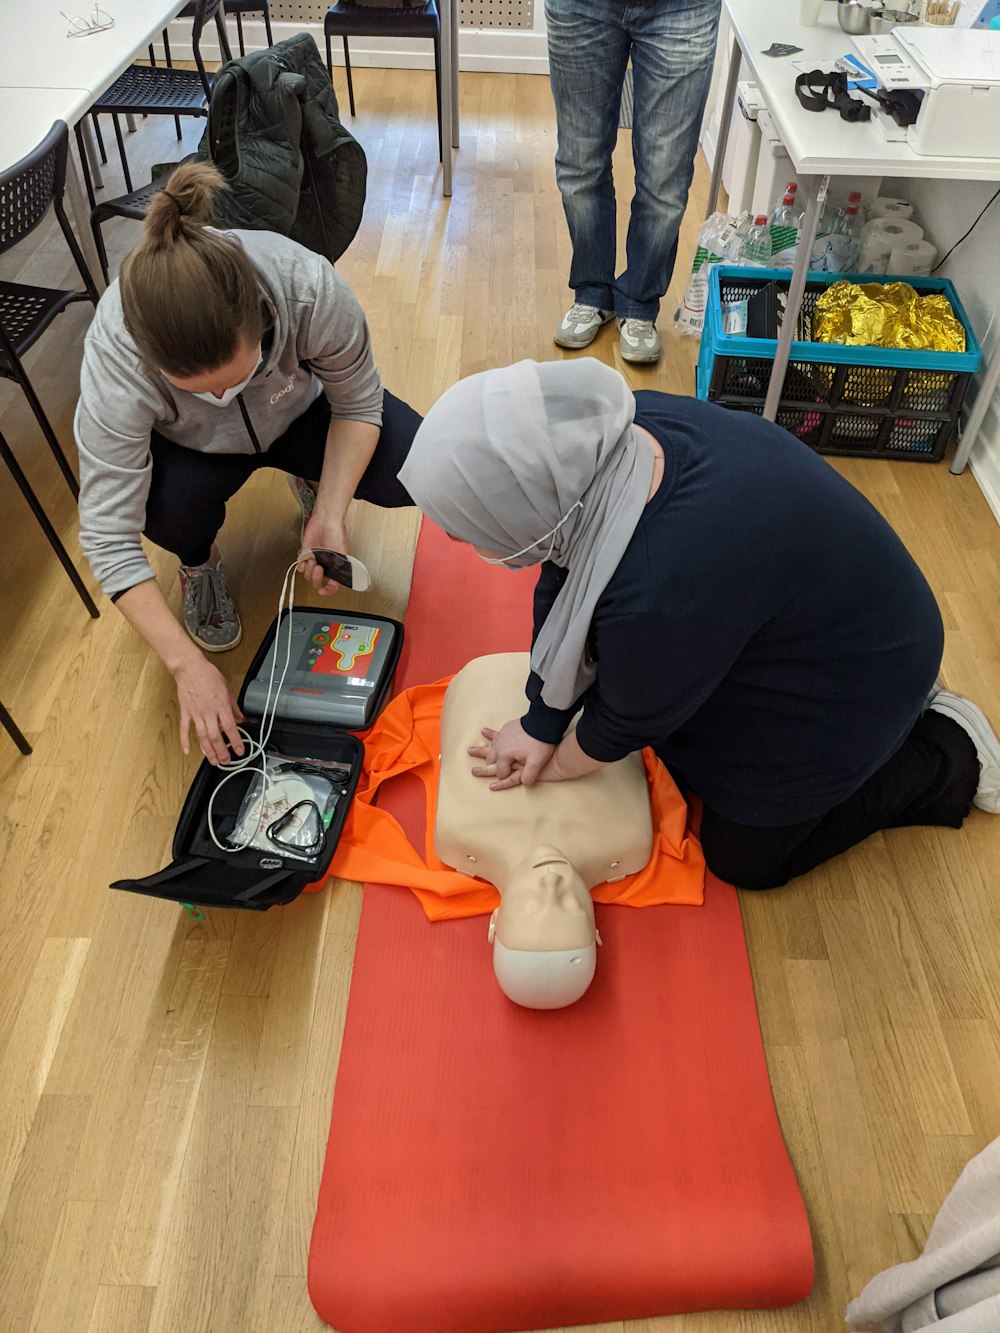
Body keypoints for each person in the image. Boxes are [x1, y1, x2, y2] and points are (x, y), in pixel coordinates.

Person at [398, 358, 1000, 892]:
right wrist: (541, 719)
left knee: (747, 859)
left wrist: (554, 762)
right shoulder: (614, 437)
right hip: (835, 607)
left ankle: (948, 750)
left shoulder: (657, 588)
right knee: (670, 731)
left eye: (464, 525)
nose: (456, 539)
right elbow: (565, 578)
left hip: (866, 667)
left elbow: (620, 725)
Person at [75, 162, 419, 766]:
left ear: (262, 321)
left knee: (408, 465)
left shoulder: (306, 286)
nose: (220, 399)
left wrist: (333, 514)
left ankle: (313, 481)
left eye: (234, 380)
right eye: (198, 390)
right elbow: (106, 535)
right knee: (167, 514)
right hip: (193, 452)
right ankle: (199, 564)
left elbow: (359, 401)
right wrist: (185, 663)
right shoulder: (116, 356)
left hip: (299, 412)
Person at [436, 652, 654, 1007]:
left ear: (495, 923)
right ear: (597, 934)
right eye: (568, 907)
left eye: (531, 905)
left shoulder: (459, 831)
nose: (552, 884)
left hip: (505, 671)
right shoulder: (630, 841)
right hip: (603, 663)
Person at [546, 0, 721, 364]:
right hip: (580, 6)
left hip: (683, 9)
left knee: (665, 179)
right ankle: (592, 292)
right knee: (580, 164)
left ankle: (639, 302)